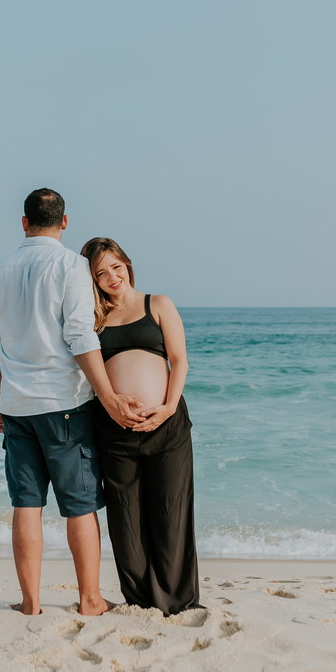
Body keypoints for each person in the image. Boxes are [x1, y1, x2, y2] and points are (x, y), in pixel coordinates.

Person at [0, 189, 143, 616]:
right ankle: (90, 599)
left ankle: (31, 603)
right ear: (65, 222)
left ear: (24, 222)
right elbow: (79, 335)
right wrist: (108, 396)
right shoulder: (72, 265)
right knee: (80, 506)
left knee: (26, 505)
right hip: (65, 406)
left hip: (18, 408)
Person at [79, 237, 200, 617]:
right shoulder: (93, 321)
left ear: (127, 264)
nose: (112, 277)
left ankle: (177, 602)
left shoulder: (158, 304)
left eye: (116, 267)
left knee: (170, 515)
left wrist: (166, 407)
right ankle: (141, 600)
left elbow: (179, 360)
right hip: (115, 434)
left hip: (167, 428)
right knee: (125, 523)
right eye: (101, 273)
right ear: (92, 280)